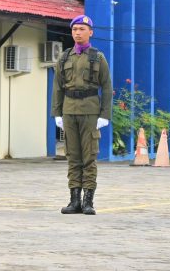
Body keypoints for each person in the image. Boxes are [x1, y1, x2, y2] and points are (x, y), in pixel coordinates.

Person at [52, 14, 113, 216]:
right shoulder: (64, 57)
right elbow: (58, 88)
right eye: (74, 30)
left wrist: (104, 115)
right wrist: (57, 113)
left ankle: (88, 201)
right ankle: (74, 201)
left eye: (81, 29)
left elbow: (106, 86)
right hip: (69, 111)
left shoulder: (98, 57)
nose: (77, 33)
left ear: (90, 32)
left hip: (90, 111)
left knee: (89, 157)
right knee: (73, 156)